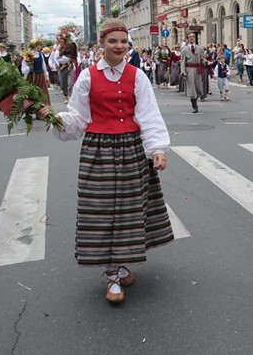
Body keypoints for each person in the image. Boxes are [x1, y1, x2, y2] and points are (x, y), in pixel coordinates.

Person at [37, 19, 173, 304]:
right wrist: (52, 119)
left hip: (131, 149)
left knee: (128, 210)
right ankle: (111, 274)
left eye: (123, 41)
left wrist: (157, 148)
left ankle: (121, 264)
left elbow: (148, 114)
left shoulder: (138, 76)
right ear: (102, 44)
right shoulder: (87, 76)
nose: (119, 46)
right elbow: (77, 118)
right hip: (98, 150)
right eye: (113, 41)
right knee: (100, 210)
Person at [180, 33, 205, 113]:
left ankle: (196, 98)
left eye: (193, 37)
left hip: (198, 70)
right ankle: (194, 106)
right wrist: (183, 73)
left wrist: (207, 62)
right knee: (191, 89)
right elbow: (182, 62)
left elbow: (202, 58)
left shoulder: (200, 48)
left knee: (198, 88)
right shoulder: (184, 50)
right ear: (187, 38)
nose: (191, 38)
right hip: (189, 70)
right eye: (190, 37)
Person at [21, 38, 51, 105]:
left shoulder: (40, 55)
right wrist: (29, 67)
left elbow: (44, 67)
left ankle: (43, 109)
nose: (40, 46)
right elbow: (23, 70)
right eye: (39, 45)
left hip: (40, 77)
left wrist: (47, 78)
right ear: (35, 45)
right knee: (32, 94)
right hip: (32, 77)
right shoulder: (28, 55)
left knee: (42, 93)